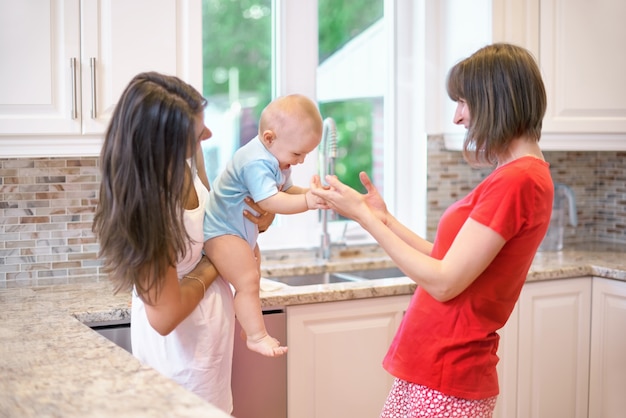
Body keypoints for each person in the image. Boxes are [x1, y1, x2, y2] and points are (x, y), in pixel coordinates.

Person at [311, 43, 554, 417]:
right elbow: (447, 260)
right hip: (435, 369)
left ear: (496, 100)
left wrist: (364, 219)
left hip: (449, 370)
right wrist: (384, 218)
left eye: (464, 101)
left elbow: (443, 282)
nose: (458, 117)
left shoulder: (520, 180)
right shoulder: (515, 176)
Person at [92, 72, 274, 413]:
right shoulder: (146, 208)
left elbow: (213, 219)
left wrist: (259, 221)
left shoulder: (186, 160)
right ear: (161, 144)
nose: (208, 134)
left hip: (209, 342)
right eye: (196, 132)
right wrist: (212, 263)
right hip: (178, 358)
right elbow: (165, 317)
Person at [203, 94, 328, 357]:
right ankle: (256, 336)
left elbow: (288, 190)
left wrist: (314, 194)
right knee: (247, 280)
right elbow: (270, 201)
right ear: (270, 138)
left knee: (253, 277)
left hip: (239, 233)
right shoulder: (256, 161)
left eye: (306, 154)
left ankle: (249, 328)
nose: (301, 161)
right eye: (298, 153)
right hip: (221, 232)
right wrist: (308, 201)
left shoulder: (275, 158)